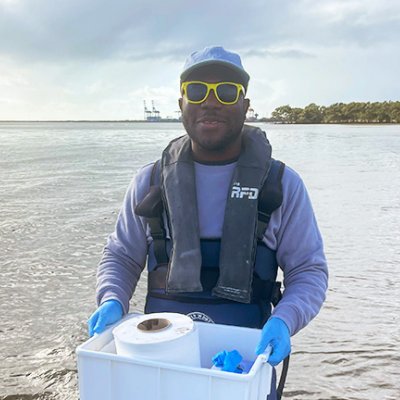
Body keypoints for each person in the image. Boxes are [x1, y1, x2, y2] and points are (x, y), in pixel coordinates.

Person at [87, 46, 328, 399]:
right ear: (181, 103)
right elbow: (121, 256)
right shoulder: (149, 181)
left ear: (245, 106)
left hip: (246, 368)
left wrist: (285, 320)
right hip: (157, 366)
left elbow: (309, 271)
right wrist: (112, 299)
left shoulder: (282, 186)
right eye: (197, 90)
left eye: (226, 91)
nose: (210, 102)